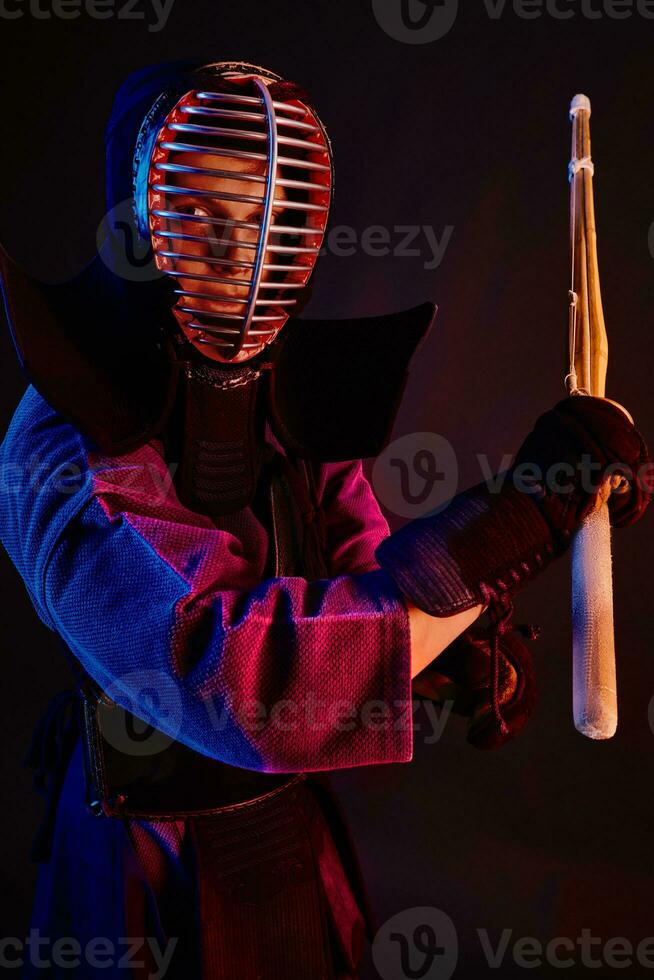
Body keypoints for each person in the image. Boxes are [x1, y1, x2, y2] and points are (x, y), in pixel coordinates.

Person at [0, 59, 650, 980]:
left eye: (264, 220)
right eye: (200, 217)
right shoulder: (62, 450)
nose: (240, 255)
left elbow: (359, 570)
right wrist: (524, 514)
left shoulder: (292, 392)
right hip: (145, 853)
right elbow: (237, 676)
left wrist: (456, 643)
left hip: (284, 825)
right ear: (138, 223)